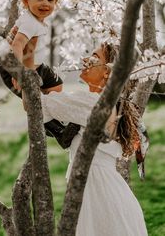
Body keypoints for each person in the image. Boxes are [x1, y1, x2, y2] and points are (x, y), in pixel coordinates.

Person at [38, 43, 148, 236]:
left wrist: (25, 72)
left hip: (98, 192)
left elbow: (37, 105)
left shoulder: (94, 103)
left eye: (95, 56)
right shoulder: (101, 101)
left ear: (108, 71)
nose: (85, 59)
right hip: (103, 188)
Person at [0, 0, 80, 148]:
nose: (46, 3)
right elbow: (17, 44)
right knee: (33, 102)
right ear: (25, 0)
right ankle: (58, 131)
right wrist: (18, 72)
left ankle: (54, 119)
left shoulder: (35, 20)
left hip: (36, 66)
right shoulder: (30, 22)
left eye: (51, 0)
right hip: (16, 67)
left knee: (56, 85)